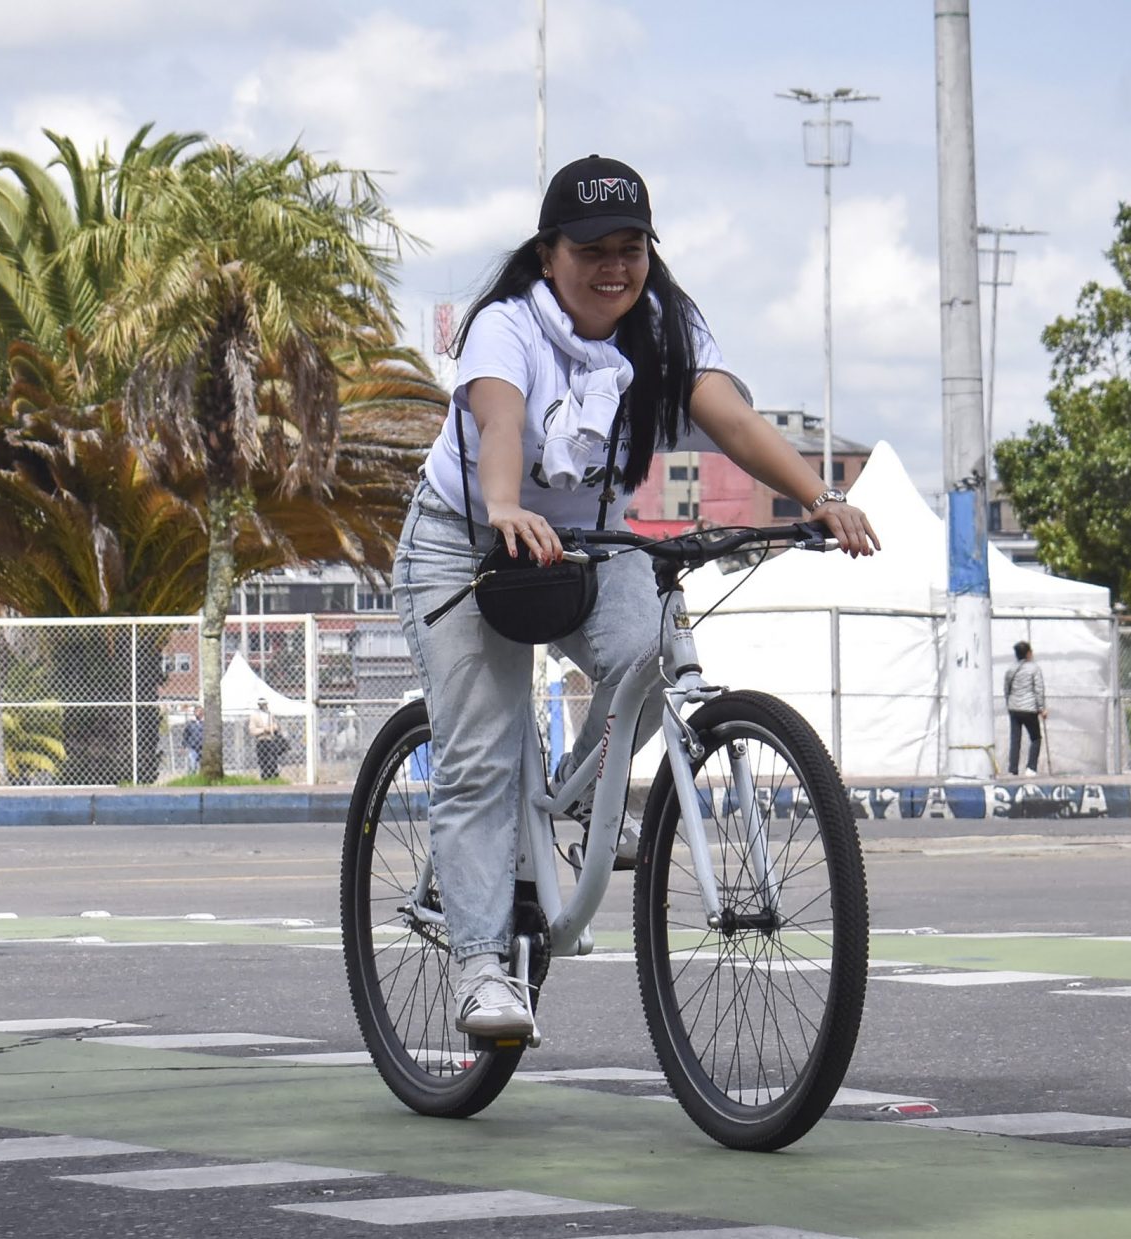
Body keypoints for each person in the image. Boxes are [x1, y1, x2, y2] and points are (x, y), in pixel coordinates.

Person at [397, 156, 879, 1038]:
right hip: (466, 541)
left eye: (632, 249)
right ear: (550, 254)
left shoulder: (663, 323)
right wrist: (504, 505)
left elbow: (729, 415)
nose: (614, 268)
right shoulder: (508, 327)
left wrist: (818, 498)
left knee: (654, 650)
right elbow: (499, 420)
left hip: (585, 540)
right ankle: (478, 967)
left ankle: (582, 803)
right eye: (592, 252)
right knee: (481, 751)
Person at [1005, 640, 1046, 775]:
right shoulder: (1034, 668)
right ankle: (1031, 767)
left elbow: (1007, 688)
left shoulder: (1011, 669)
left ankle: (1013, 769)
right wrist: (1041, 708)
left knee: (1015, 739)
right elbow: (1038, 689)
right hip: (1029, 708)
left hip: (1014, 707)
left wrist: (1009, 703)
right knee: (1035, 738)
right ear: (1028, 653)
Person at [248, 701, 284, 779]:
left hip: (271, 740)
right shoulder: (254, 716)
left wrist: (271, 729)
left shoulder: (270, 715)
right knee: (262, 760)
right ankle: (264, 776)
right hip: (260, 740)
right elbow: (252, 730)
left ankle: (274, 775)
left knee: (272, 759)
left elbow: (276, 726)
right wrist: (264, 730)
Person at [182, 704, 206, 769]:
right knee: (193, 765)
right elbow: (185, 735)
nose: (199, 713)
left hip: (203, 747)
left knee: (203, 766)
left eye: (201, 711)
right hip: (193, 747)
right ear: (194, 713)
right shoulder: (190, 724)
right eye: (197, 711)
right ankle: (192, 776)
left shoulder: (205, 723)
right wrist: (184, 746)